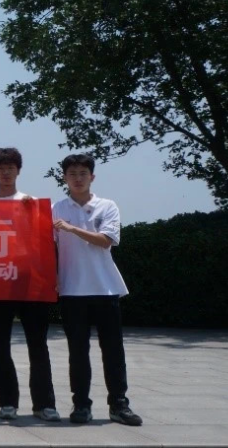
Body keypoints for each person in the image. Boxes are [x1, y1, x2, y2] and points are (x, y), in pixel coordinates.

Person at [0, 148, 61, 422]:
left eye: (10, 167)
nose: (6, 172)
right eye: (0, 168)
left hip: (31, 283)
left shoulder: (33, 204)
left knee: (38, 345)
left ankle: (44, 404)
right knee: (0, 345)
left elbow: (48, 245)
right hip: (0, 282)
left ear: (18, 171)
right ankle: (7, 402)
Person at [52, 153, 142, 426]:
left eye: (83, 173)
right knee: (77, 352)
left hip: (105, 288)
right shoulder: (56, 209)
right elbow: (48, 247)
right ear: (64, 178)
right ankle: (81, 404)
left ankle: (119, 404)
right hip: (71, 290)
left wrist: (72, 229)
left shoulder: (107, 206)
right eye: (72, 174)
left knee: (113, 351)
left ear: (92, 177)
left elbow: (106, 240)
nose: (77, 178)